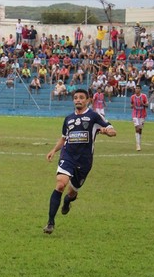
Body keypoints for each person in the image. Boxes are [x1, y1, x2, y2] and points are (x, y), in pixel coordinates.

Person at [43, 89, 117, 234]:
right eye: (76, 98)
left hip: (84, 161)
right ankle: (50, 222)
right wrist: (53, 150)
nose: (78, 100)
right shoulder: (68, 119)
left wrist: (107, 132)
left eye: (81, 98)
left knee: (72, 193)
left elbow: (112, 130)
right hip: (68, 156)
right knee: (60, 184)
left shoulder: (94, 116)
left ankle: (67, 202)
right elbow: (64, 137)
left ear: (88, 100)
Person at [130, 85, 148, 151]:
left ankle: (139, 143)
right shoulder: (132, 97)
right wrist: (132, 106)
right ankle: (138, 145)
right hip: (135, 115)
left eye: (138, 88)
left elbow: (147, 104)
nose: (137, 89)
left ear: (140, 89)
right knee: (137, 128)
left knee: (140, 130)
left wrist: (143, 104)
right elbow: (131, 105)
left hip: (142, 115)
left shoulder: (144, 96)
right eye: (136, 88)